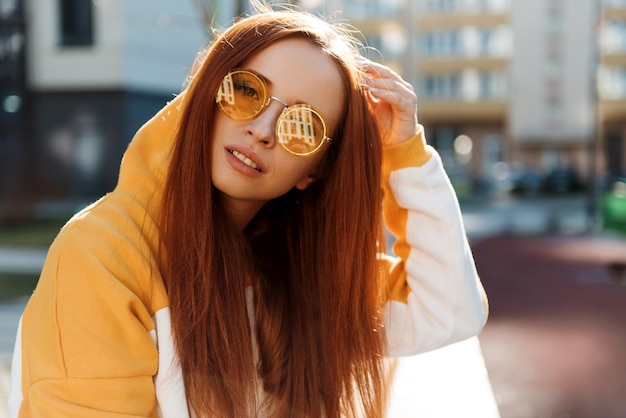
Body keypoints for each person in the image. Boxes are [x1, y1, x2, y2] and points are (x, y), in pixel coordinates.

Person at [8, 2, 488, 417]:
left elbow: (448, 309)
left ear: (314, 171)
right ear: (206, 97)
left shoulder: (303, 271)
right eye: (246, 91)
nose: (262, 129)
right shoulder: (104, 253)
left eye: (303, 124)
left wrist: (404, 150)